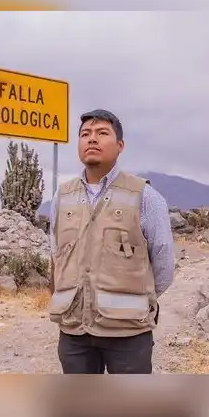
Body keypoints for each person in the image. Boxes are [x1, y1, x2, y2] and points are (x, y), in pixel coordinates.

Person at [47, 108, 176, 374]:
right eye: (85, 134)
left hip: (127, 334)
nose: (91, 139)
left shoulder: (145, 196)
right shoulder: (62, 197)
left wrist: (134, 302)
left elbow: (163, 264)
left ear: (120, 146)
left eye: (102, 133)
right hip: (74, 331)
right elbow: (55, 255)